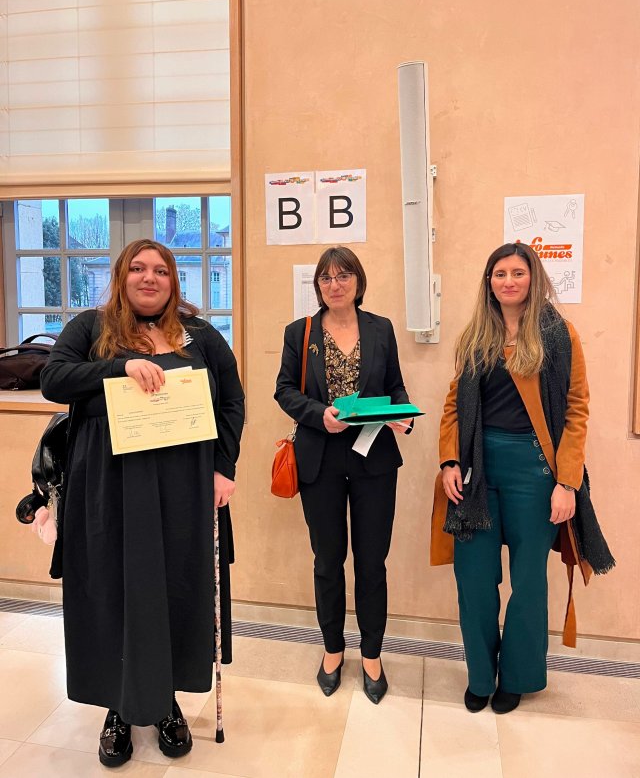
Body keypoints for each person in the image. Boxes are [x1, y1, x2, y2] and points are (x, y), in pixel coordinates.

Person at [40, 239, 244, 767]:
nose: (149, 278)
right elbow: (53, 379)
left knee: (173, 588)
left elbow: (231, 400)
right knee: (115, 590)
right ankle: (119, 705)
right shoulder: (90, 328)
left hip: (183, 486)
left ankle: (166, 701)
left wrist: (224, 467)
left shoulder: (199, 335)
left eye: (160, 270)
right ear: (121, 276)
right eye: (137, 268)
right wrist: (120, 367)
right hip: (108, 485)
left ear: (173, 281)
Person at [432, 242, 614, 715]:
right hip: (477, 471)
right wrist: (449, 461)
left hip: (535, 473)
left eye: (517, 272)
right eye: (499, 273)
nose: (508, 281)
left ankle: (516, 676)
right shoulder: (476, 335)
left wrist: (567, 482)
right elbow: (454, 405)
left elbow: (576, 409)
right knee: (473, 579)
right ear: (488, 282)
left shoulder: (558, 334)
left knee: (529, 582)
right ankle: (480, 676)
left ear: (533, 277)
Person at [274, 246, 412, 704]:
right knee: (328, 561)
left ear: (358, 281)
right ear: (318, 285)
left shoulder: (381, 328)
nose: (335, 285)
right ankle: (332, 649)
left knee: (372, 563)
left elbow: (395, 386)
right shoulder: (300, 332)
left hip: (374, 459)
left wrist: (402, 414)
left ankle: (372, 654)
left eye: (343, 275)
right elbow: (284, 391)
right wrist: (319, 414)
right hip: (320, 459)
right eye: (326, 278)